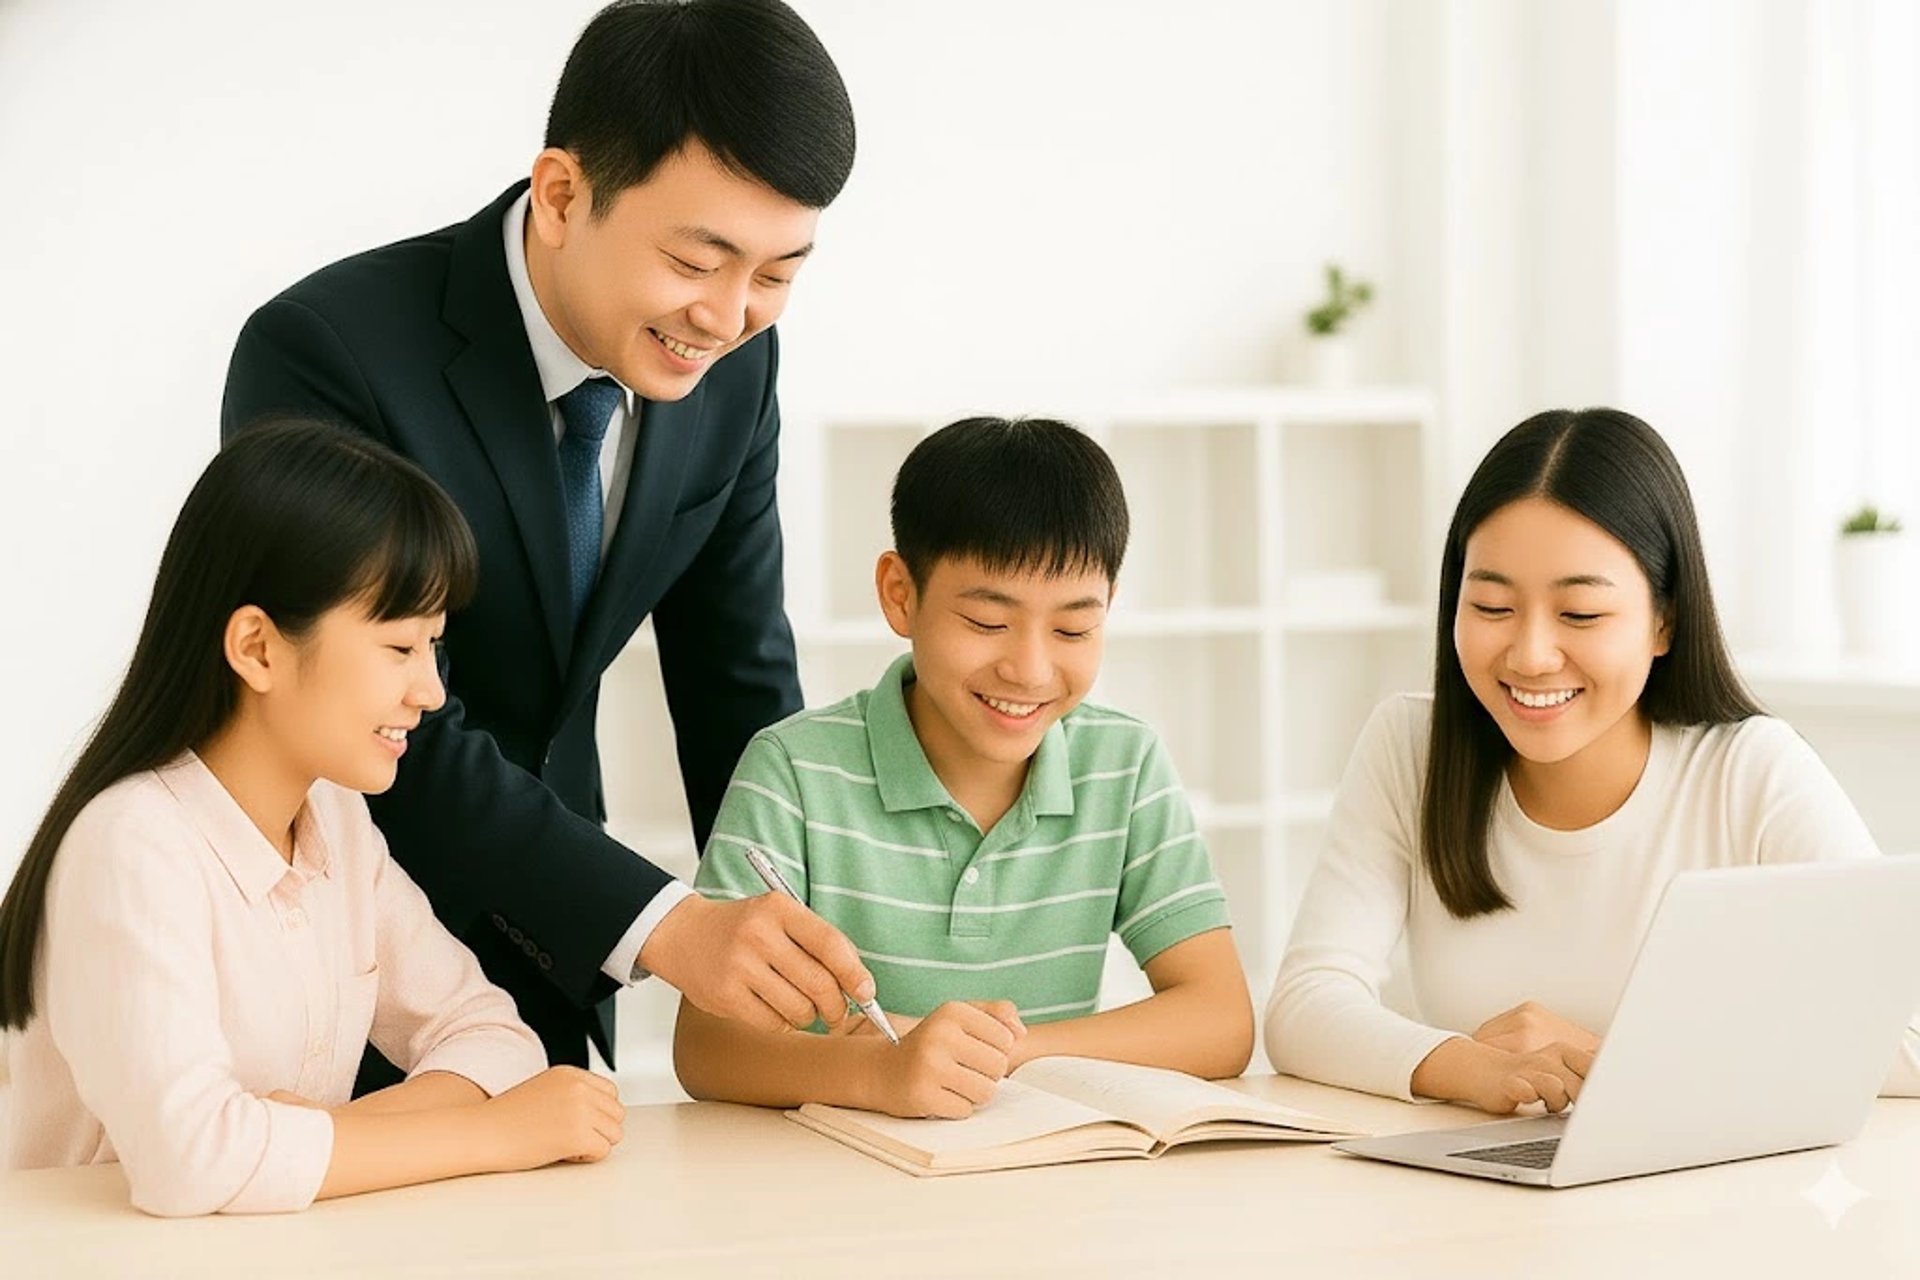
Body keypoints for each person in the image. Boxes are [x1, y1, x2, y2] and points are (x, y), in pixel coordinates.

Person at [219, 0, 874, 1088]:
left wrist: (814, 949)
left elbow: (736, 674)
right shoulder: (328, 352)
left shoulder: (734, 372)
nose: (728, 318)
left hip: (561, 951)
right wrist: (666, 924)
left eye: (776, 275)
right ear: (563, 194)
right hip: (338, 951)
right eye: (698, 260)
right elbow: (365, 710)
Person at [0, 422, 626, 1217]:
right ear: (258, 648)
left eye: (434, 647)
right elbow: (192, 1163)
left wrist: (317, 1137)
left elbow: (495, 1038)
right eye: (399, 649)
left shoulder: (337, 820)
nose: (431, 692)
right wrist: (496, 1135)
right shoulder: (132, 844)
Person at [1263, 407, 1920, 1113]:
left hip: (1703, 1174)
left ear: (1664, 621)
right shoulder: (1410, 747)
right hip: (1477, 1170)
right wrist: (1467, 1066)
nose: (1530, 655)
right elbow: (1305, 1005)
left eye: (1580, 614)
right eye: (1491, 607)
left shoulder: (1750, 771)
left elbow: (1909, 1033)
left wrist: (1614, 1062)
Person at [672, 417, 1255, 1117]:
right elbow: (706, 1046)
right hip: (837, 1167)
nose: (1030, 669)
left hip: (1042, 1162)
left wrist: (996, 1055)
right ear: (901, 594)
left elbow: (1221, 1020)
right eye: (987, 623)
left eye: (1073, 628)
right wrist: (880, 1074)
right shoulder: (795, 770)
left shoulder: (1122, 765)